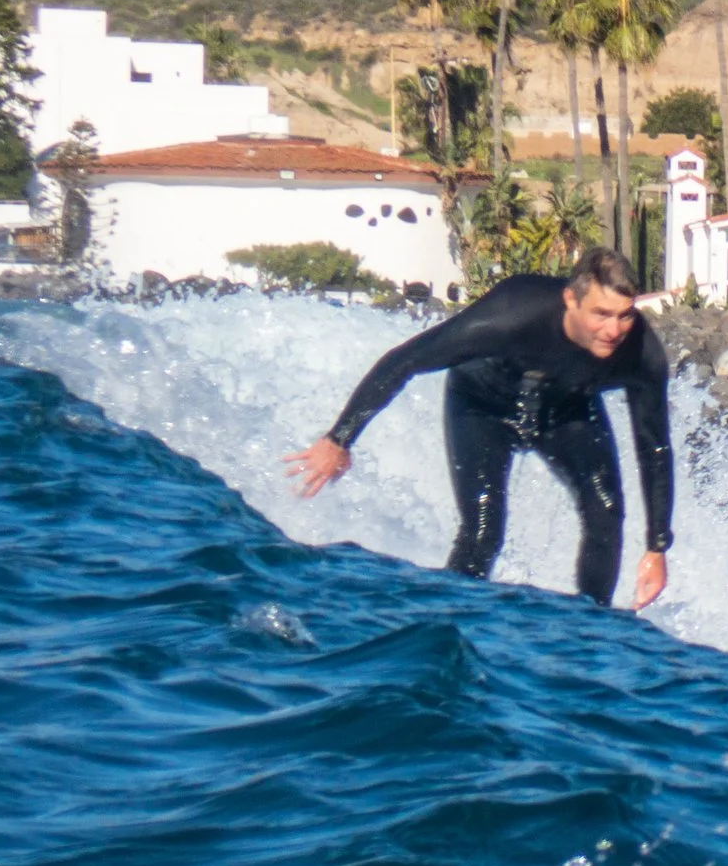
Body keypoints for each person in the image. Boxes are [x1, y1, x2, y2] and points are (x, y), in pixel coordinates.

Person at [287, 249, 673, 608]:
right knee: (485, 529)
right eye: (601, 314)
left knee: (606, 510)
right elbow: (405, 360)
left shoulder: (641, 354)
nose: (614, 329)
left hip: (566, 411)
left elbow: (654, 446)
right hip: (481, 406)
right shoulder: (512, 314)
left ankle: (591, 626)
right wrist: (340, 438)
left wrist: (657, 547)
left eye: (625, 315)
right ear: (570, 299)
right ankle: (452, 615)